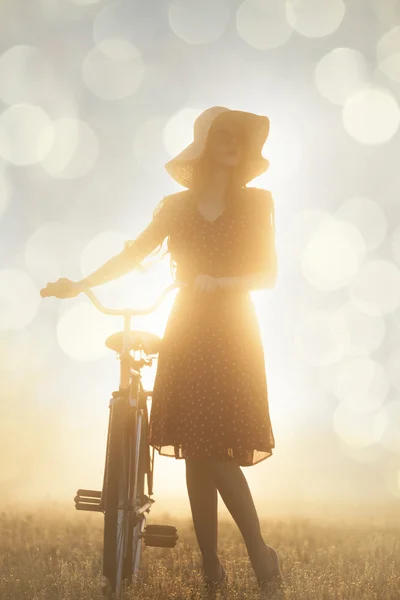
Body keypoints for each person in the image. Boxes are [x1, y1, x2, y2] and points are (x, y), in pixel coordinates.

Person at [40, 106, 284, 595]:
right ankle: (211, 565)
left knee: (216, 451)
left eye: (239, 135)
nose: (232, 141)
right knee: (197, 449)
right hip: (189, 331)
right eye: (222, 134)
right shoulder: (175, 207)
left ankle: (260, 552)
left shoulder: (257, 203)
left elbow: (269, 273)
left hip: (233, 332)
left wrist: (222, 282)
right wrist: (81, 283)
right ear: (203, 145)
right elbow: (135, 254)